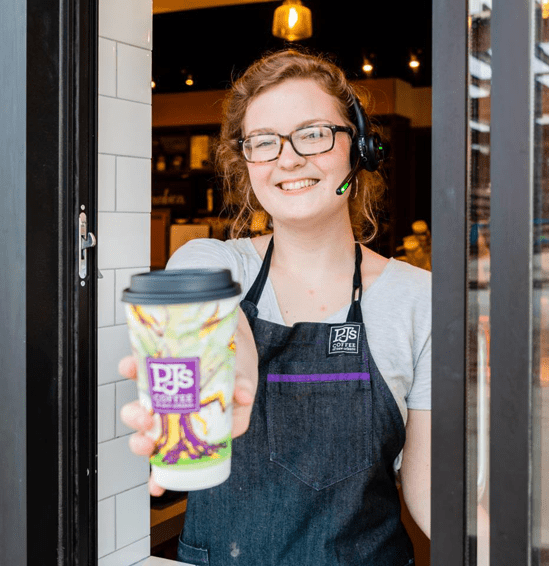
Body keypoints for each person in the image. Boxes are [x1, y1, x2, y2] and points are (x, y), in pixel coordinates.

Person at [120, 48, 431, 565]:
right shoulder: (215, 263)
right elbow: (205, 308)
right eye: (263, 142)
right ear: (246, 164)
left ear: (359, 147)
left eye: (312, 133)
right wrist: (227, 355)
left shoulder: (418, 298)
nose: (288, 158)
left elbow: (427, 489)